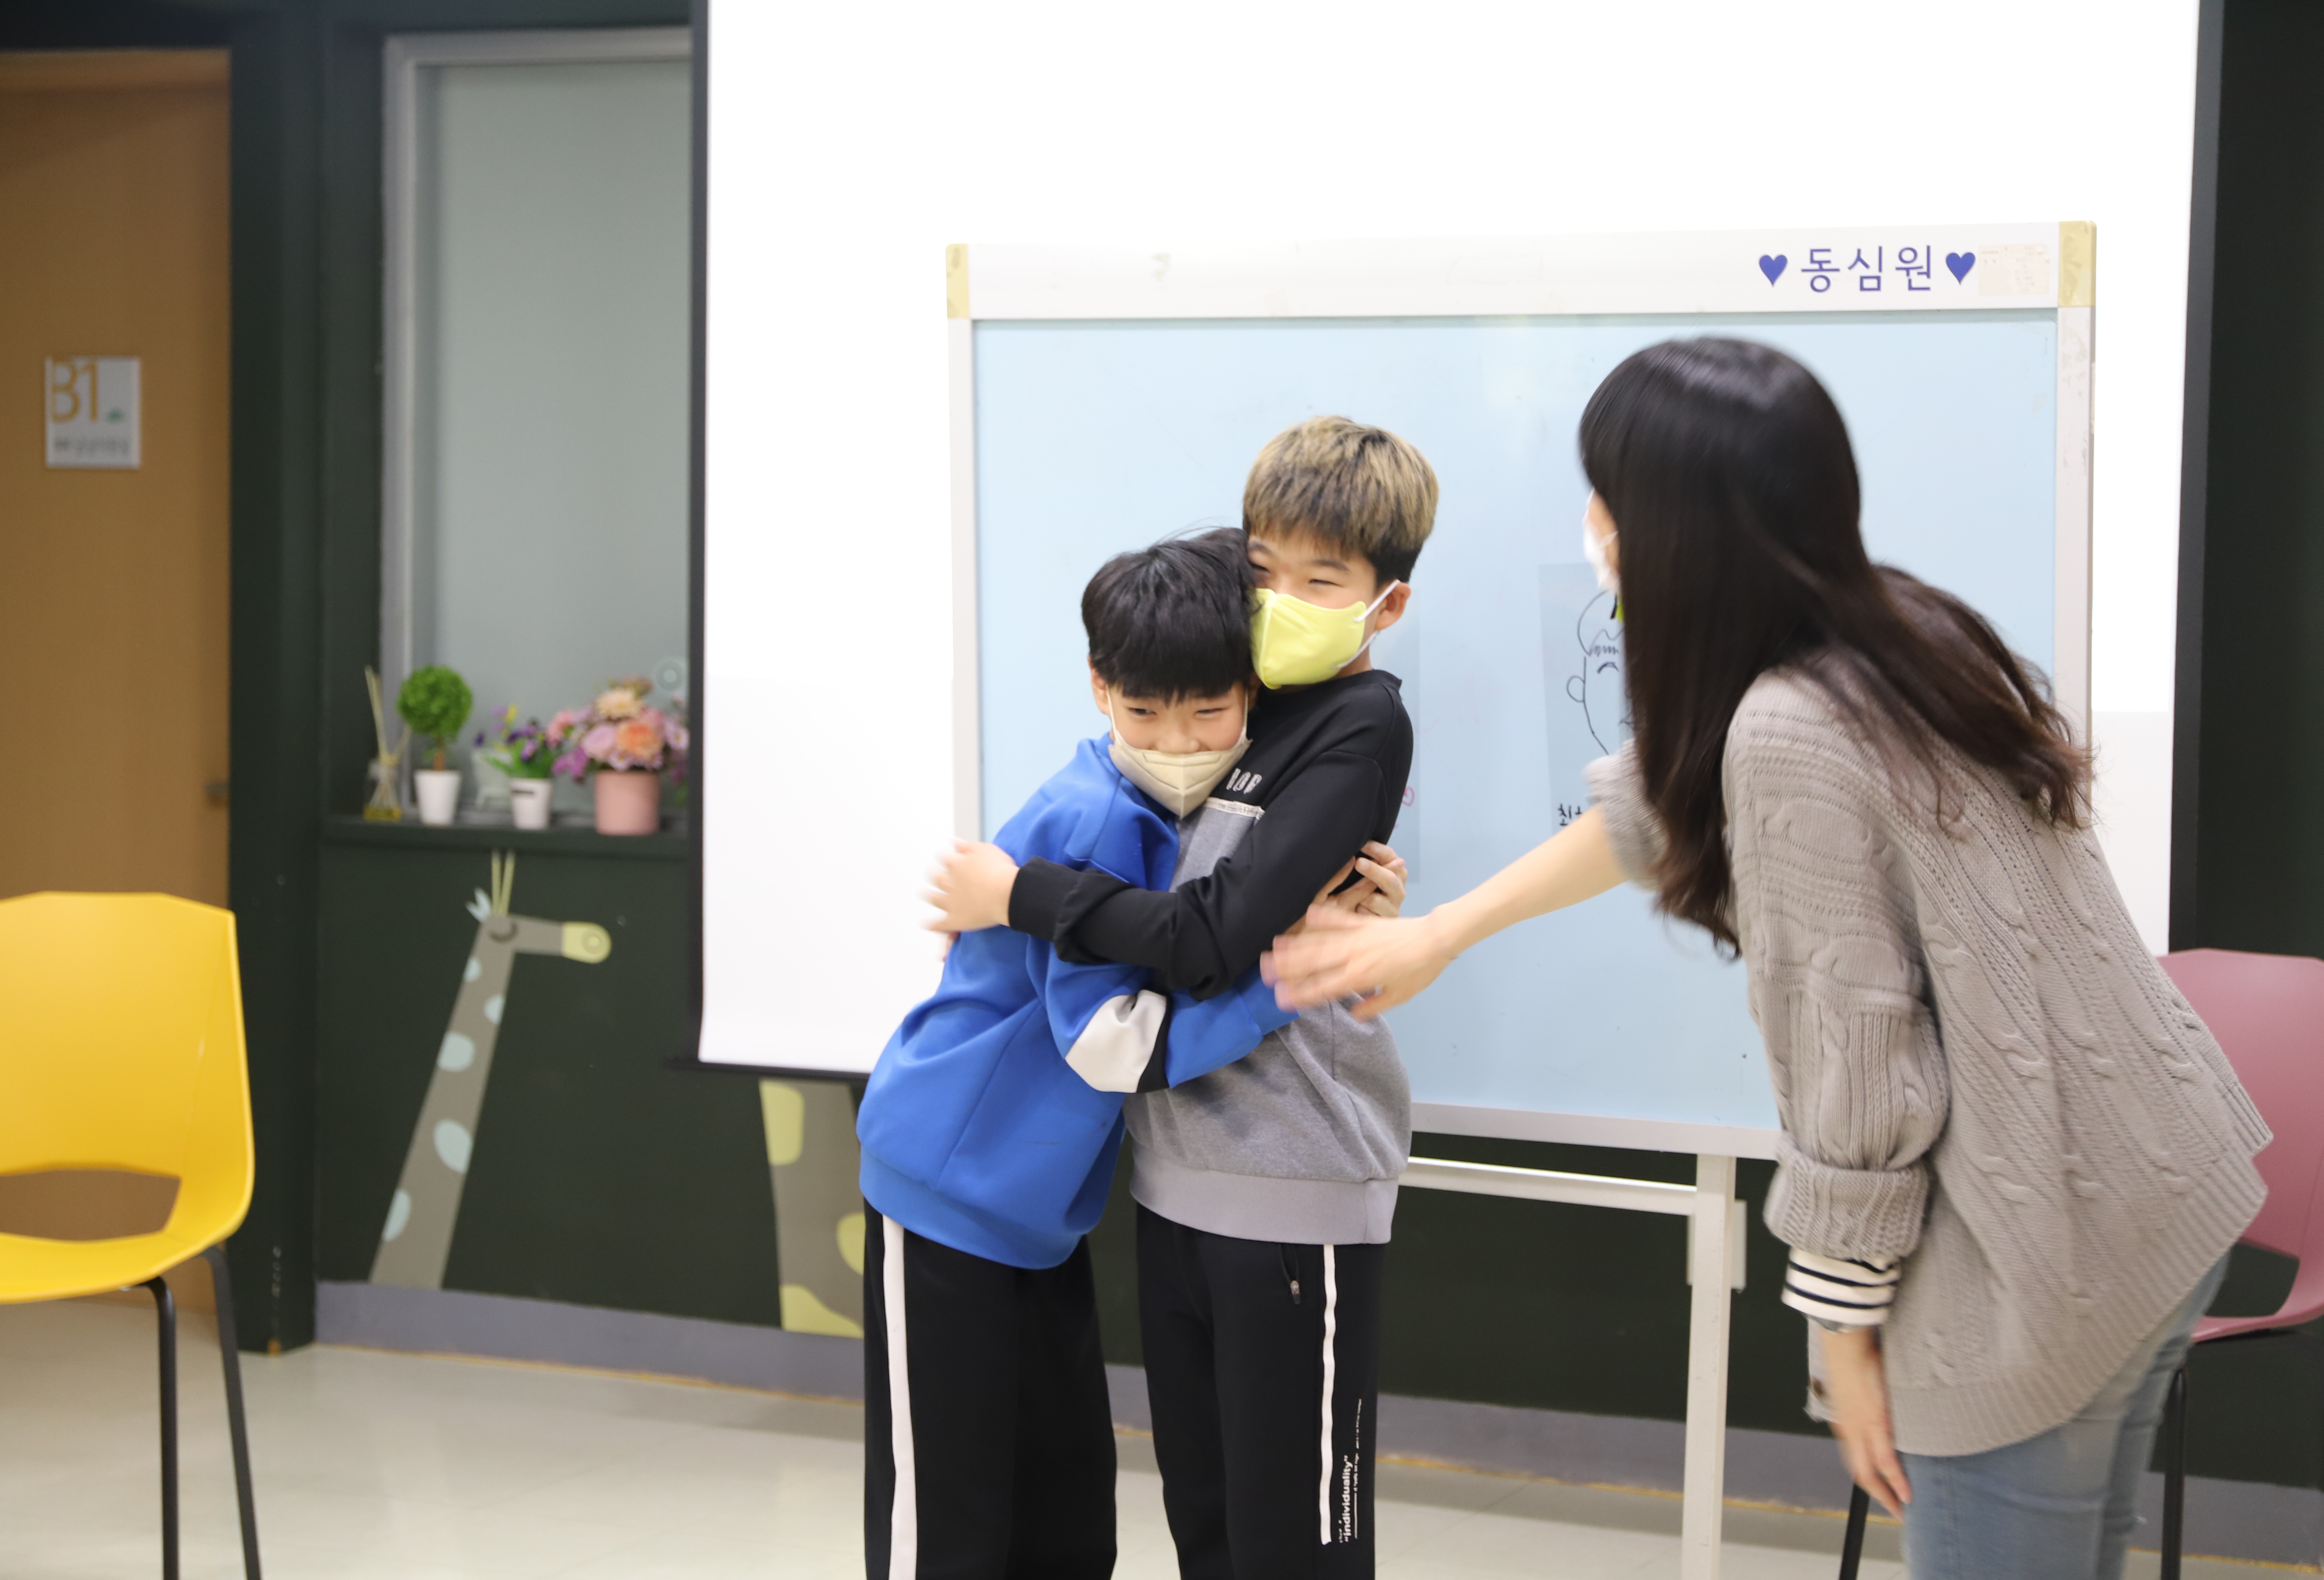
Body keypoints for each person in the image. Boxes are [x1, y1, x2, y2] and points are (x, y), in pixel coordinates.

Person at [1265, 340, 2269, 1580]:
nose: (1593, 525)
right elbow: (1658, 796)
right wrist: (1442, 930)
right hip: (2160, 1184)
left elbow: (1858, 1077)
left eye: (1606, 496)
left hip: (2035, 1246)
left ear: (1670, 529)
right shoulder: (1893, 630)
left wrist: (1845, 1341)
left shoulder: (1789, 730)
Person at [928, 416, 1433, 1578]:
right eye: (1265, 570)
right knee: (1206, 1527)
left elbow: (1207, 939)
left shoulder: (1360, 722)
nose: (1283, 599)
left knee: (1296, 1546)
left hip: (1295, 1179)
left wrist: (1022, 894)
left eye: (1323, 580)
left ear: (1386, 603)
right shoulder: (1229, 694)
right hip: (1173, 1178)